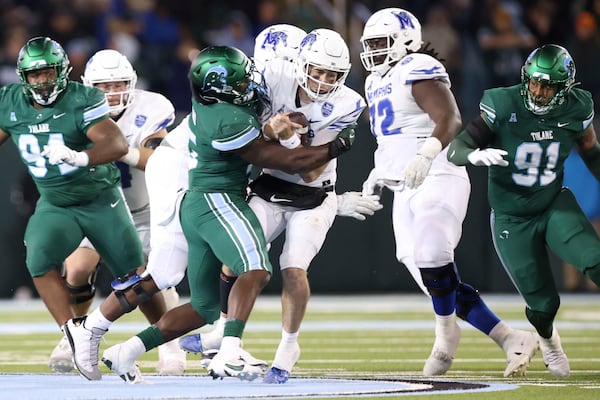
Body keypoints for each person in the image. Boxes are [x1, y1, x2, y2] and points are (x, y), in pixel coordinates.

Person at [67, 44, 356, 383]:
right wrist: (338, 146)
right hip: (189, 180)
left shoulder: (234, 101)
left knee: (185, 291)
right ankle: (225, 350)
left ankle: (115, 342)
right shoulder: (225, 117)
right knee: (227, 268)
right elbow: (290, 161)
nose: (254, 80)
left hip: (195, 181)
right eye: (244, 76)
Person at [179, 28, 379, 384]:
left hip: (314, 195)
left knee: (293, 269)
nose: (323, 80)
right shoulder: (273, 77)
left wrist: (290, 138)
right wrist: (283, 134)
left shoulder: (349, 103)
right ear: (300, 64)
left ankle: (289, 345)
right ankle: (226, 333)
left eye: (332, 75)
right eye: (317, 71)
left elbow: (311, 168)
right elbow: (251, 134)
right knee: (235, 259)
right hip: (269, 184)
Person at [357, 8, 539, 377]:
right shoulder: (375, 80)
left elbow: (450, 118)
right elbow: (393, 137)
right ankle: (510, 337)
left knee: (432, 252)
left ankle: (444, 336)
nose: (374, 51)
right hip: (404, 187)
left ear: (405, 41)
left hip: (437, 173)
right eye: (370, 44)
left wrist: (426, 154)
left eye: (381, 43)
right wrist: (377, 173)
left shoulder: (417, 66)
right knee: (434, 279)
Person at [0, 36, 166, 381]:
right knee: (39, 260)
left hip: (100, 198)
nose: (42, 81)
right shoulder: (9, 102)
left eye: (48, 73)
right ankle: (74, 331)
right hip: (56, 202)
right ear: (22, 76)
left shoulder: (83, 97)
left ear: (62, 72)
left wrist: (80, 156)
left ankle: (166, 336)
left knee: (137, 277)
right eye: (35, 75)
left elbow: (116, 142)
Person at [447, 43, 600, 377]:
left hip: (553, 203)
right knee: (544, 304)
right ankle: (548, 340)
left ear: (565, 88)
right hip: (511, 217)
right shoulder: (503, 103)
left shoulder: (577, 107)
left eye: (548, 85)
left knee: (597, 261)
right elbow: (456, 148)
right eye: (534, 82)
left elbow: (591, 150)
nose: (539, 91)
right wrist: (473, 155)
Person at [48, 49, 186, 375]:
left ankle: (168, 343)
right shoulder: (71, 111)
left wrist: (116, 150)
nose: (112, 92)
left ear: (132, 83)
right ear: (88, 87)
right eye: (104, 86)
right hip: (99, 207)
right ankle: (75, 334)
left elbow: (154, 160)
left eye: (119, 84)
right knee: (78, 268)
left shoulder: (152, 107)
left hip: (146, 209)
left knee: (150, 280)